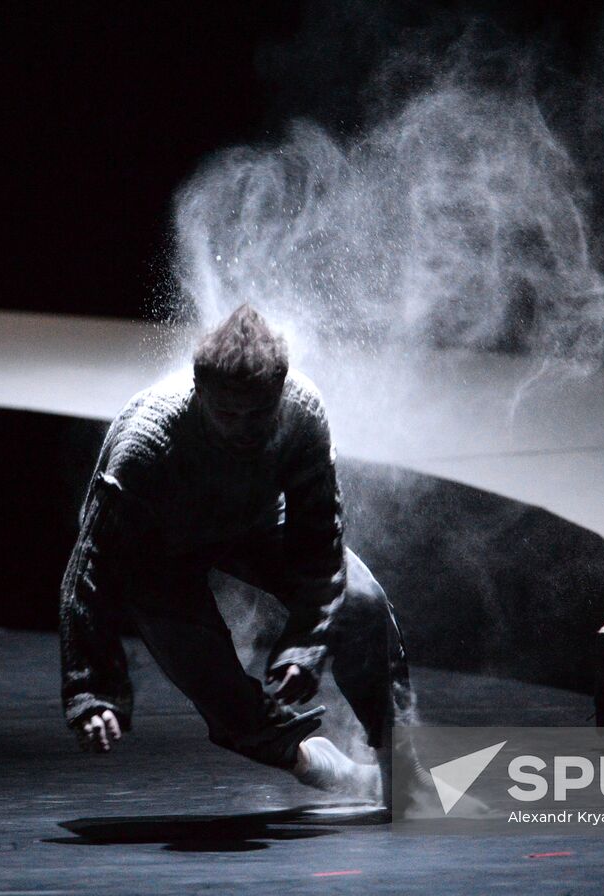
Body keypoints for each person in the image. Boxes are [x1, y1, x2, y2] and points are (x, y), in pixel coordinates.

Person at [59, 302, 416, 807]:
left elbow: (320, 544)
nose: (245, 428)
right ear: (199, 391)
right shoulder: (144, 444)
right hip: (162, 556)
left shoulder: (302, 411)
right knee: (229, 706)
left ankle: (401, 766)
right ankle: (327, 769)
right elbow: (88, 573)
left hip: (255, 524)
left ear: (279, 391)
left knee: (363, 603)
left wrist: (304, 645)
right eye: (227, 413)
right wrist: (90, 690)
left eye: (259, 414)